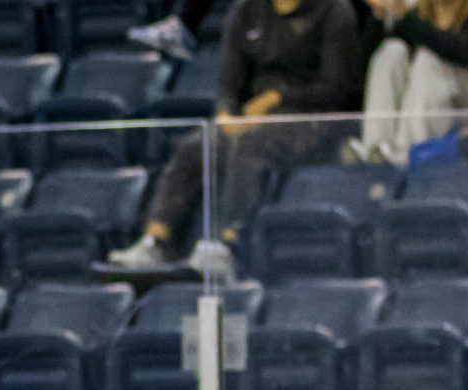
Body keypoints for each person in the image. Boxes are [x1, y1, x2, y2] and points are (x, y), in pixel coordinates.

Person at [107, 0, 371, 275]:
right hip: (252, 117)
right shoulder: (244, 12)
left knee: (251, 143)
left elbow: (337, 87)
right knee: (196, 145)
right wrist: (225, 115)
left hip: (310, 119)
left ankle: (227, 244)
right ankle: (155, 242)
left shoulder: (334, 10)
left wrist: (276, 99)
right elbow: (229, 85)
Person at [352, 0, 468, 163]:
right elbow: (362, 65)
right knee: (392, 51)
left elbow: (465, 53)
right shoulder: (419, 13)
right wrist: (381, 17)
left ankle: (411, 151)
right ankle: (375, 148)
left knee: (427, 60)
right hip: (429, 99)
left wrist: (407, 19)